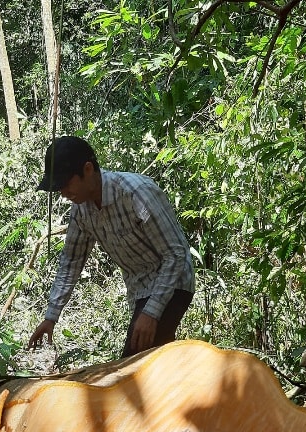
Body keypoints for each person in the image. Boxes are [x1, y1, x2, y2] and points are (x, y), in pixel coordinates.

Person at [27, 136, 196, 358]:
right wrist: (51, 316)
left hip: (173, 281)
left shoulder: (136, 193)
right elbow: (71, 263)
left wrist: (152, 312)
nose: (64, 194)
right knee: (154, 363)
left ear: (87, 170)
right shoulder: (81, 211)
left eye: (66, 184)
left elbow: (175, 254)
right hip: (139, 289)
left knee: (132, 364)